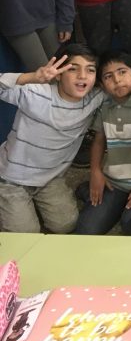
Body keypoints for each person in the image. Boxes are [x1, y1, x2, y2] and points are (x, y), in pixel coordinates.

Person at [0, 48, 105, 233]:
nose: (82, 76)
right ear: (58, 74)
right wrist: (32, 77)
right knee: (26, 234)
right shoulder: (36, 93)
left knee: (66, 224)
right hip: (11, 179)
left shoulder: (94, 98)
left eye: (90, 70)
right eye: (73, 69)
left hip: (50, 178)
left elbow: (125, 85)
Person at [74, 50, 131, 235]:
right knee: (86, 229)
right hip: (114, 182)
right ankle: (93, 191)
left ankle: (96, 195)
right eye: (108, 76)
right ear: (102, 84)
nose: (117, 80)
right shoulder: (105, 105)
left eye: (122, 72)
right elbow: (99, 141)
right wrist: (95, 171)